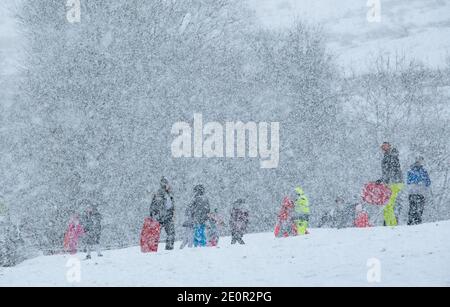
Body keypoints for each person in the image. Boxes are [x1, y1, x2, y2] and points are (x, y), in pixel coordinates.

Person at [380, 142, 404, 226]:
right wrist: (382, 180)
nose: (384, 148)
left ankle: (392, 224)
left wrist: (385, 180)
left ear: (390, 146)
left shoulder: (391, 156)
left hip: (394, 183)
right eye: (383, 147)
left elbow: (391, 170)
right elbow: (387, 171)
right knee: (388, 204)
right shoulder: (387, 156)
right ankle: (388, 223)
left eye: (386, 146)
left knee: (389, 204)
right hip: (392, 182)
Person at [149, 177, 175, 250]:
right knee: (159, 234)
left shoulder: (169, 194)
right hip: (161, 217)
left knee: (169, 233)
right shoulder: (160, 193)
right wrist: (156, 215)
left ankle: (168, 248)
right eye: (167, 184)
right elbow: (157, 205)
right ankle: (153, 249)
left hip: (166, 217)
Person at [406, 156, 431, 225]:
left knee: (416, 208)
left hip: (418, 192)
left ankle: (414, 222)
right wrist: (420, 181)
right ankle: (413, 222)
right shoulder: (413, 170)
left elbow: (428, 182)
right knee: (415, 208)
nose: (419, 162)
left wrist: (422, 181)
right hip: (415, 192)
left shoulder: (415, 170)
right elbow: (409, 181)